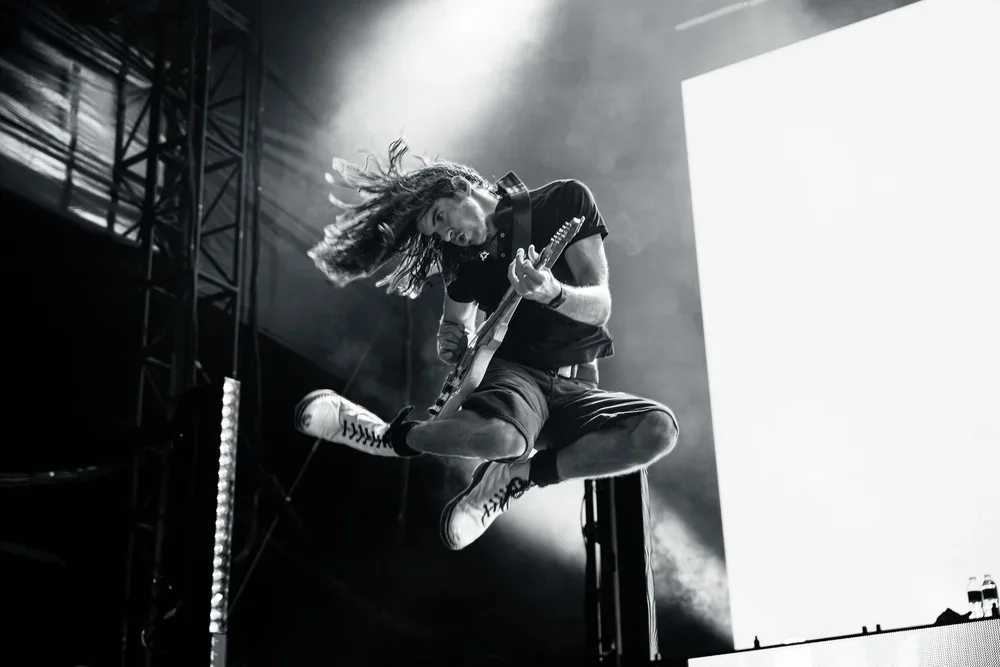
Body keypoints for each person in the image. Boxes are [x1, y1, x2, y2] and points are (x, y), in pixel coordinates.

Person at [295, 138, 679, 551]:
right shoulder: (460, 261)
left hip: (577, 384)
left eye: (441, 216)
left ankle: (518, 477)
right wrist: (452, 342)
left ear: (461, 186)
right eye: (437, 230)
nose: (447, 233)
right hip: (515, 376)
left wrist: (554, 293)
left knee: (657, 431)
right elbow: (455, 322)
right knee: (506, 440)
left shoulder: (564, 201)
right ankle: (390, 437)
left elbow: (600, 305)